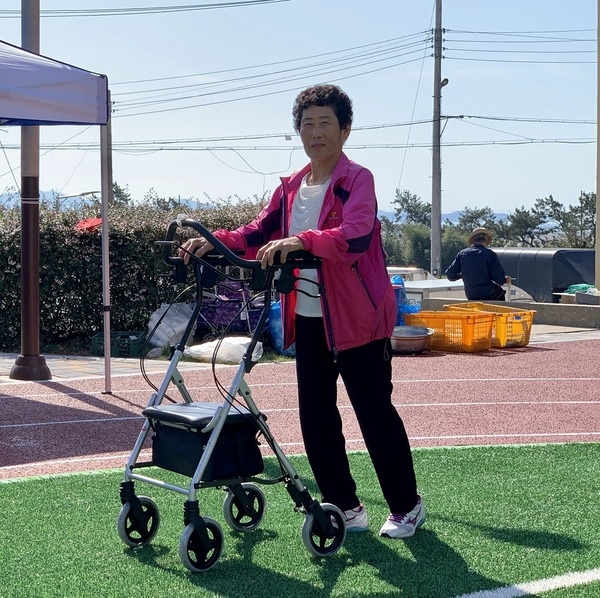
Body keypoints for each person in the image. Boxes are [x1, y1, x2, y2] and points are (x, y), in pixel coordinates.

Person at [180, 84, 424, 538]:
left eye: (325, 122)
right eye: (307, 124)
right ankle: (344, 505)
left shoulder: (356, 180)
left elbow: (355, 236)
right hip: (309, 318)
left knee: (374, 414)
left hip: (358, 321)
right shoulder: (292, 187)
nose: (315, 132)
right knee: (315, 416)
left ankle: (406, 506)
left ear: (345, 130)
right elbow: (257, 232)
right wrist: (213, 242)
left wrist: (303, 241)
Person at [445, 227, 511, 301]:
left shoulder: (462, 254)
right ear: (486, 240)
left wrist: (462, 275)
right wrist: (505, 280)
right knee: (500, 292)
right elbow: (499, 278)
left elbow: (450, 275)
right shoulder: (490, 254)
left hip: (470, 294)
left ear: (473, 240)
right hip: (487, 293)